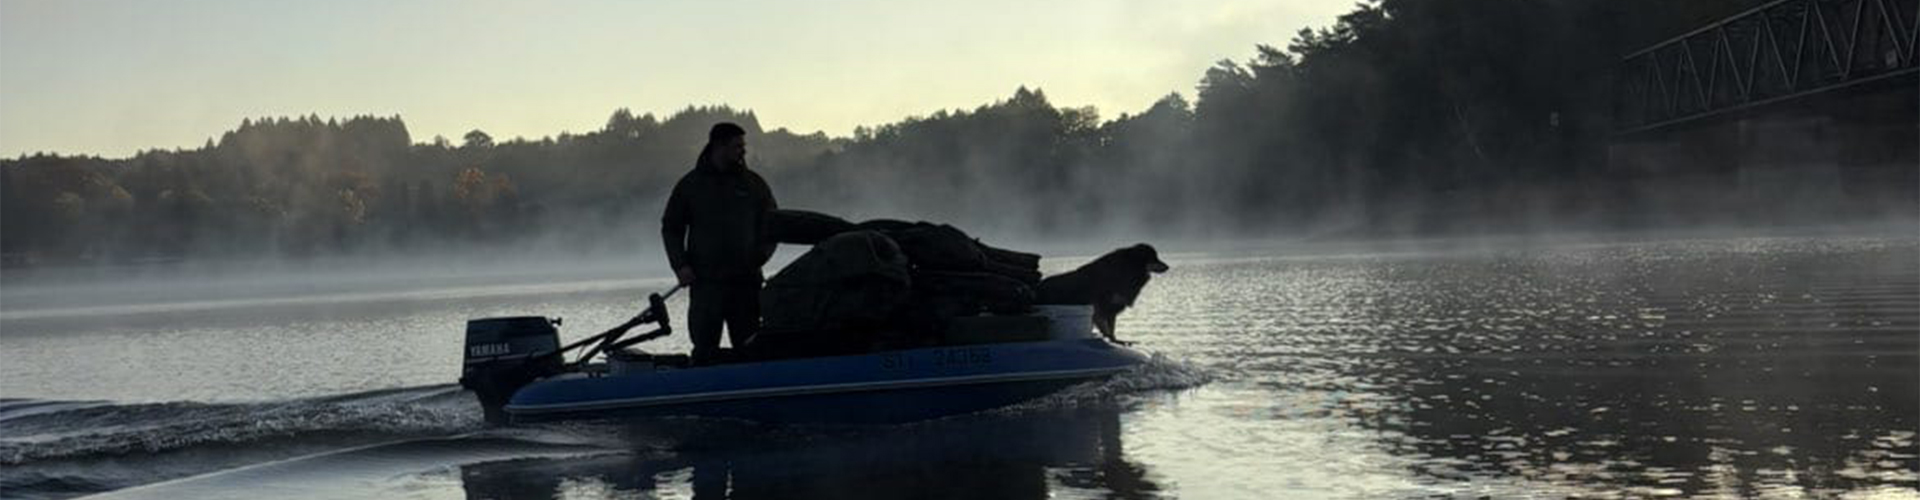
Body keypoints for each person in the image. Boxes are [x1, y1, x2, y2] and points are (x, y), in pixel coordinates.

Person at [660, 122, 778, 363]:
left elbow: (773, 227)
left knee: (750, 348)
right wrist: (680, 266)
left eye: (743, 146)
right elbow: (671, 228)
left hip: (746, 284)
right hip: (706, 285)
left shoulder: (754, 185)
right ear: (718, 146)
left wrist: (759, 257)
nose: (743, 152)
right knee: (704, 350)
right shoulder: (691, 185)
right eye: (737, 146)